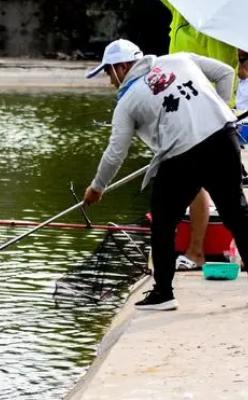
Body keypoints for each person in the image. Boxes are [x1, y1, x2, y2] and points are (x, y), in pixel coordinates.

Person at [83, 39, 248, 310]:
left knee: (163, 221)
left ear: (122, 67)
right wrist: (218, 110)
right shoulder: (178, 59)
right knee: (237, 213)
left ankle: (163, 294)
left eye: (108, 73)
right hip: (223, 138)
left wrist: (97, 187)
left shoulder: (127, 103)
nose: (109, 81)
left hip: (183, 156)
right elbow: (225, 73)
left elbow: (115, 152)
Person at [160, 0, 239, 270]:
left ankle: (196, 252)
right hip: (183, 107)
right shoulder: (184, 10)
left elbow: (225, 71)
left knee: (199, 184)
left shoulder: (220, 28)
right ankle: (194, 250)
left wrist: (217, 112)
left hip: (207, 113)